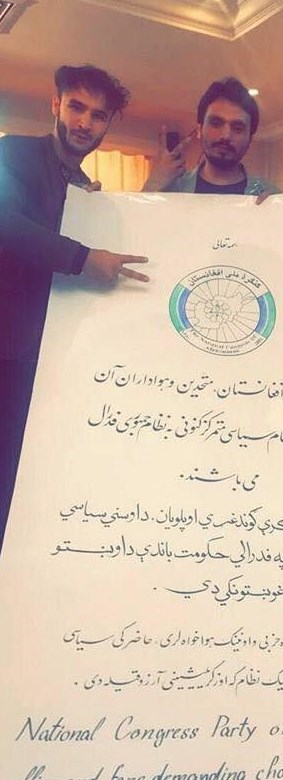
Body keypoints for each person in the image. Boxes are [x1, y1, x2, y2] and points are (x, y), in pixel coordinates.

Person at [0, 64, 149, 551]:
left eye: (98, 115)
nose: (85, 122)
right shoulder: (14, 152)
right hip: (6, 351)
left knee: (31, 477)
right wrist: (83, 258)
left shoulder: (86, 189)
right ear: (56, 105)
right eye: (76, 107)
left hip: (53, 360)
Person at [142, 77, 277, 196]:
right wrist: (153, 185)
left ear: (249, 139)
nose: (225, 136)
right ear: (199, 130)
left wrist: (279, 209)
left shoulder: (269, 196)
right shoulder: (171, 190)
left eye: (237, 128)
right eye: (216, 123)